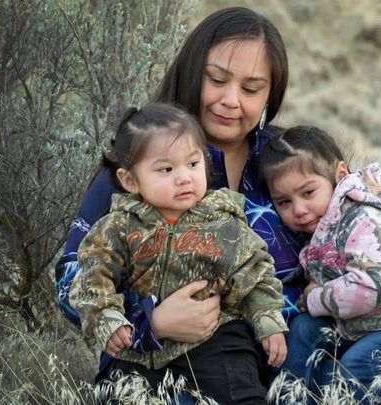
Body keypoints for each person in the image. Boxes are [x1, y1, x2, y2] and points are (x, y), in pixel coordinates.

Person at [54, 5, 381, 398]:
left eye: (251, 88)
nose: (232, 100)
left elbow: (364, 235)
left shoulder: (289, 162)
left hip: (298, 373)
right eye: (217, 79)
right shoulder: (139, 165)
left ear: (270, 95)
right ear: (192, 73)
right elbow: (72, 275)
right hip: (165, 375)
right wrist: (150, 321)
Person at [70, 103, 288, 403]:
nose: (184, 177)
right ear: (130, 181)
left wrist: (267, 318)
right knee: (118, 392)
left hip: (217, 339)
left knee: (240, 391)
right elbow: (92, 274)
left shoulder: (223, 220)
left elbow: (254, 272)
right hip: (140, 347)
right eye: (167, 169)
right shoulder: (118, 226)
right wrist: (106, 316)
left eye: (193, 164)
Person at [259, 126, 381, 404]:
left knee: (363, 363)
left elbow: (370, 289)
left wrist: (314, 298)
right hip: (356, 331)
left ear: (340, 175)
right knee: (301, 331)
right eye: (284, 202)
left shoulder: (366, 220)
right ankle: (288, 399)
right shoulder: (323, 232)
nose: (298, 209)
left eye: (308, 192)